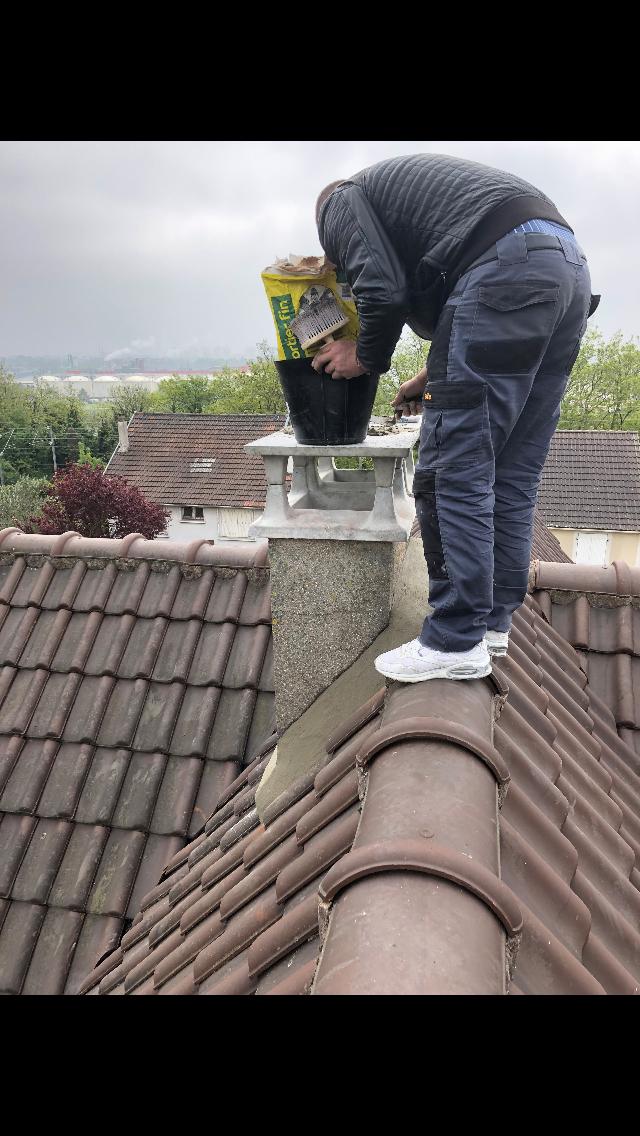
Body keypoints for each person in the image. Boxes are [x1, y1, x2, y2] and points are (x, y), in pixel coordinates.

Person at [312, 153, 598, 683]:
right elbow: (465, 294)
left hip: (508, 268)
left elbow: (382, 290)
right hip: (566, 271)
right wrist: (433, 373)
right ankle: (492, 623)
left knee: (453, 467)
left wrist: (365, 356)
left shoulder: (339, 204)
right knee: (511, 471)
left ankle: (453, 637)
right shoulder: (417, 203)